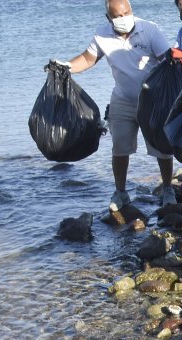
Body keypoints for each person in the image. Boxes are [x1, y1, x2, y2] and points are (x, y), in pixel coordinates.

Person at [57, 0, 175, 208]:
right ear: (108, 18)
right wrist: (66, 67)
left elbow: (168, 60)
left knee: (161, 148)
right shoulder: (102, 34)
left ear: (131, 11)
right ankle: (120, 192)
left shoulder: (149, 30)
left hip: (153, 101)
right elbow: (87, 58)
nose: (123, 18)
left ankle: (168, 188)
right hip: (122, 99)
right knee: (120, 147)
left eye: (126, 13)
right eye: (117, 16)